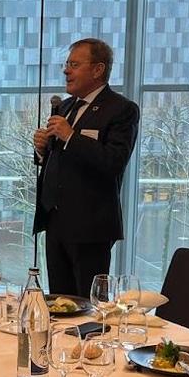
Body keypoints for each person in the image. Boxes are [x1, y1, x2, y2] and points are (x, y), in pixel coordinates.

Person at [32, 37, 140, 297]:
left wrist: (71, 136)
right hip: (56, 222)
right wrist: (42, 151)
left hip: (90, 227)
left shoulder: (121, 109)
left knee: (89, 305)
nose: (66, 71)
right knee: (60, 302)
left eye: (74, 64)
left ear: (97, 69)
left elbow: (114, 161)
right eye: (66, 64)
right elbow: (61, 159)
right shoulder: (66, 106)